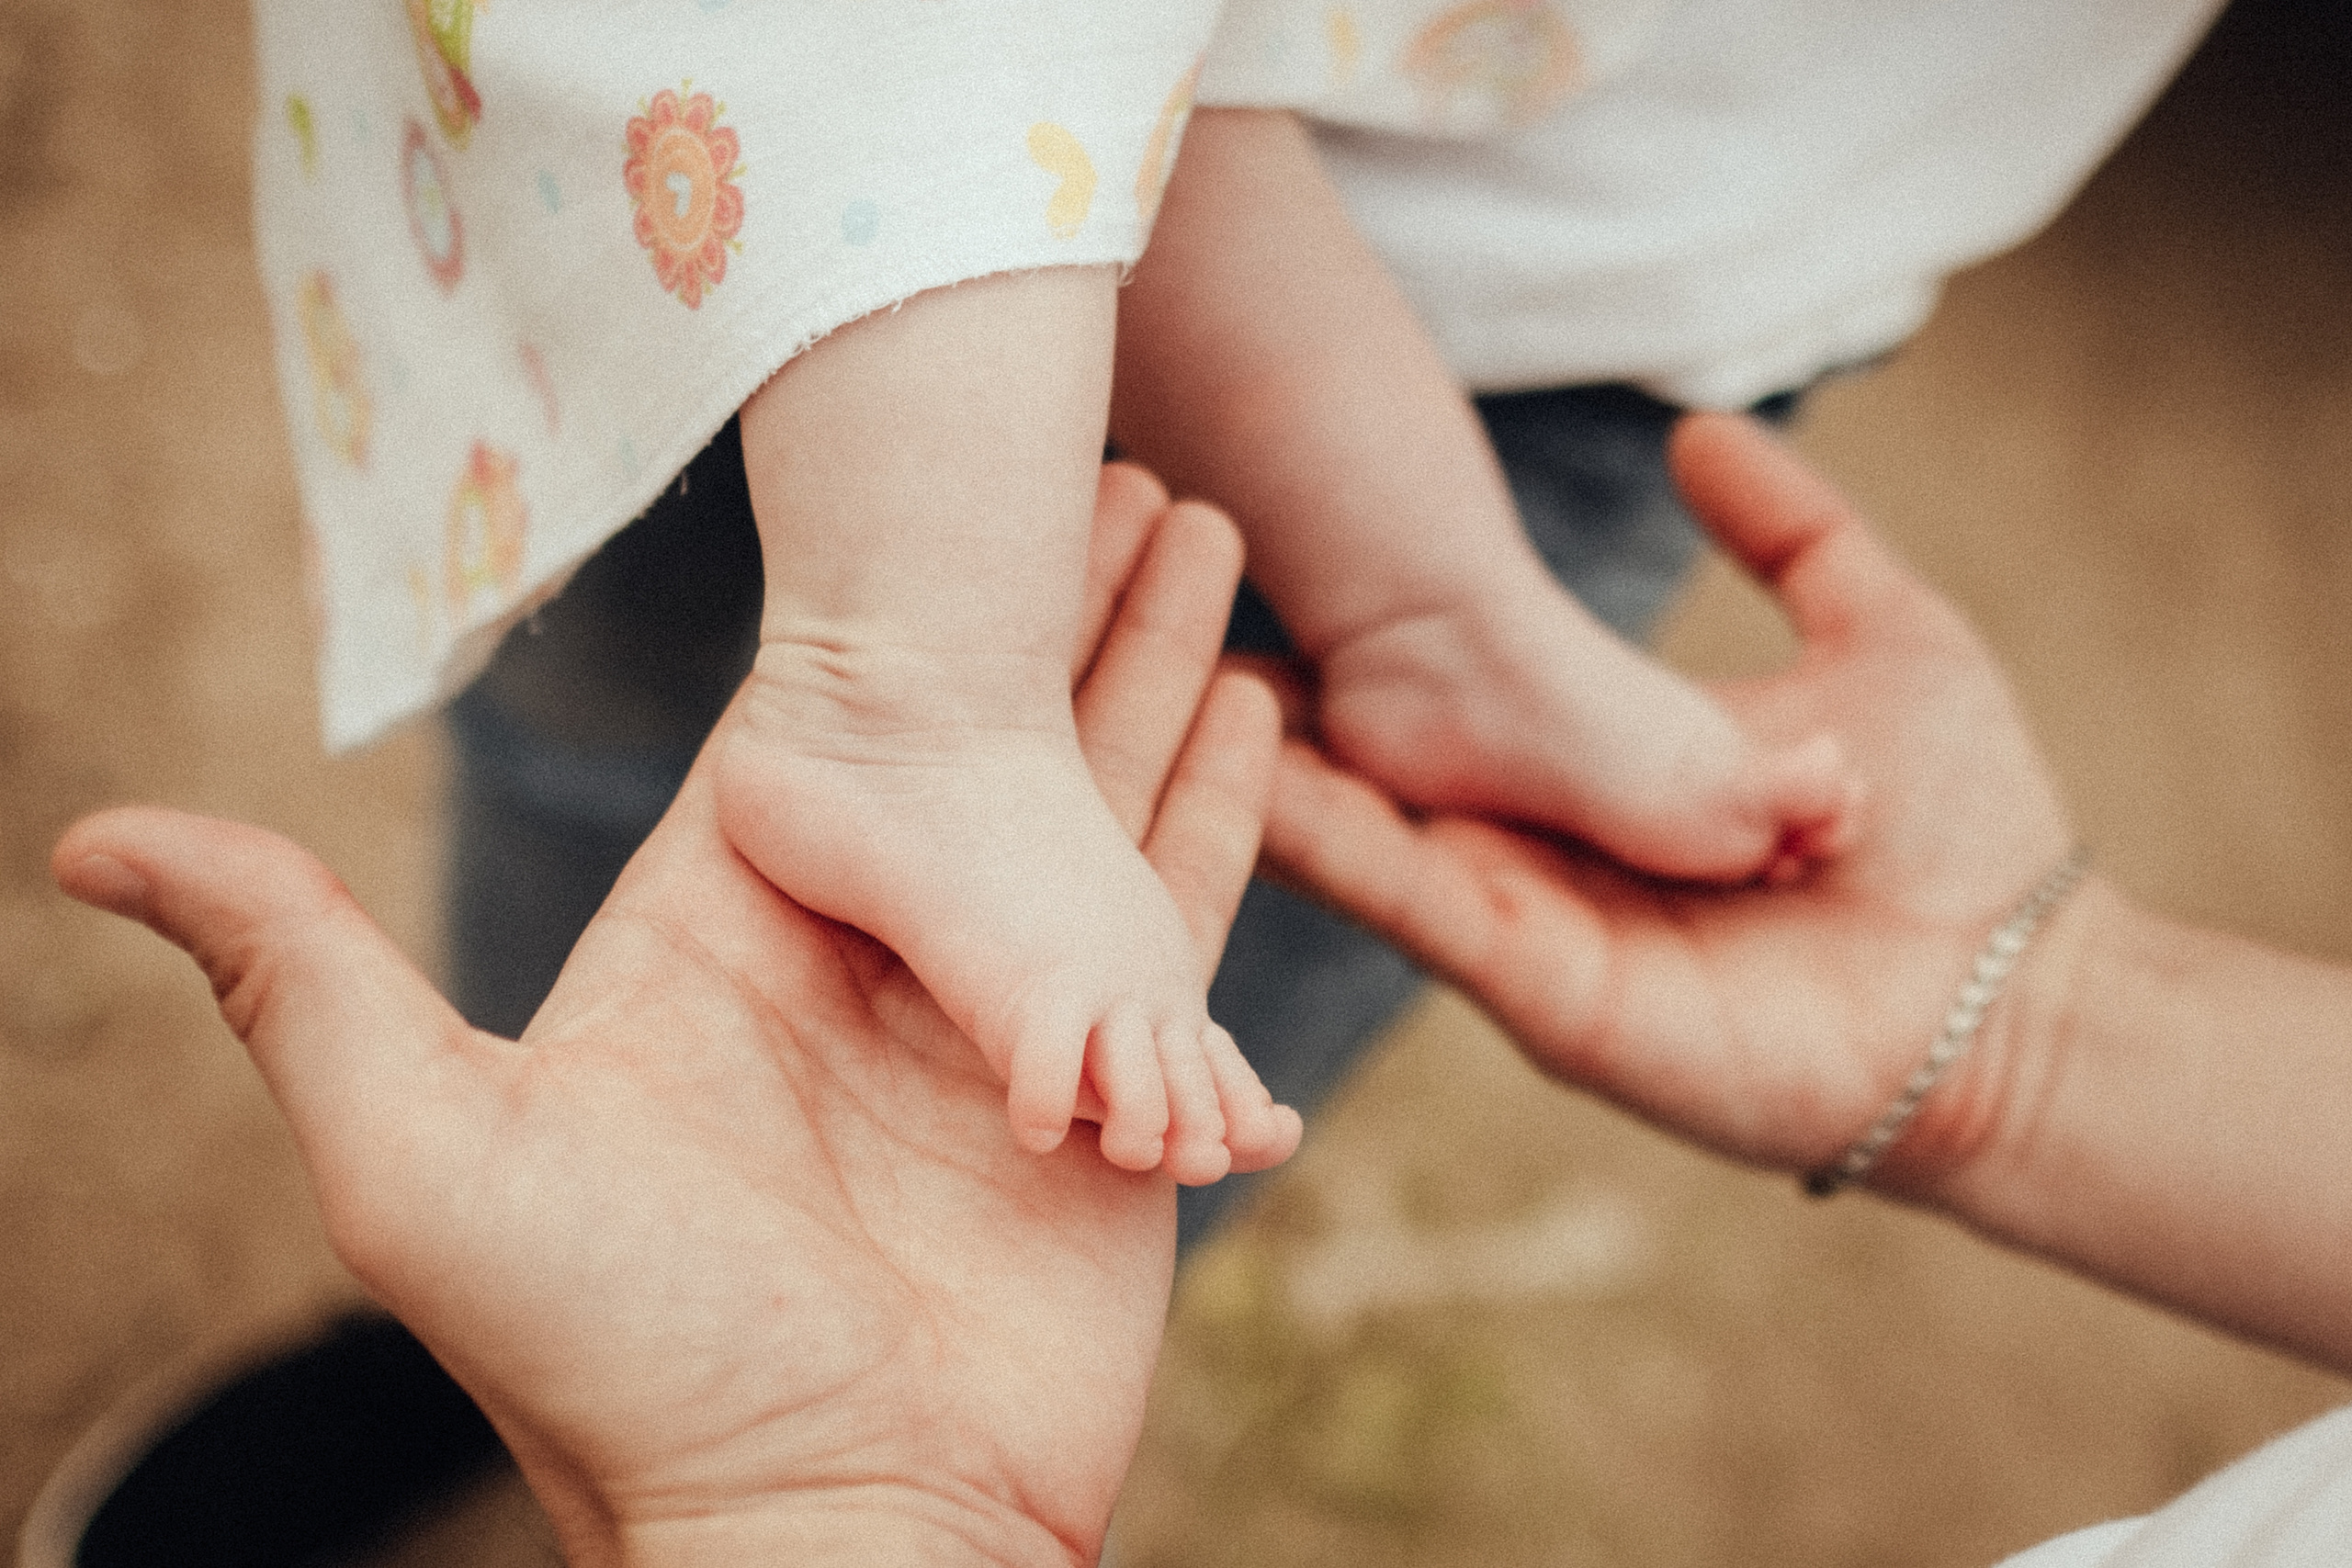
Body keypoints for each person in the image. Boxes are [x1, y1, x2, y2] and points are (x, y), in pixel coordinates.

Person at [50, 418, 2352, 1565]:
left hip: (1629, 270)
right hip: (1063, 173)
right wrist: (2035, 1038)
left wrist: (832, 1512)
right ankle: (462, 1368)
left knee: (1047, 1096)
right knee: (660, 833)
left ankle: (576, 1373)